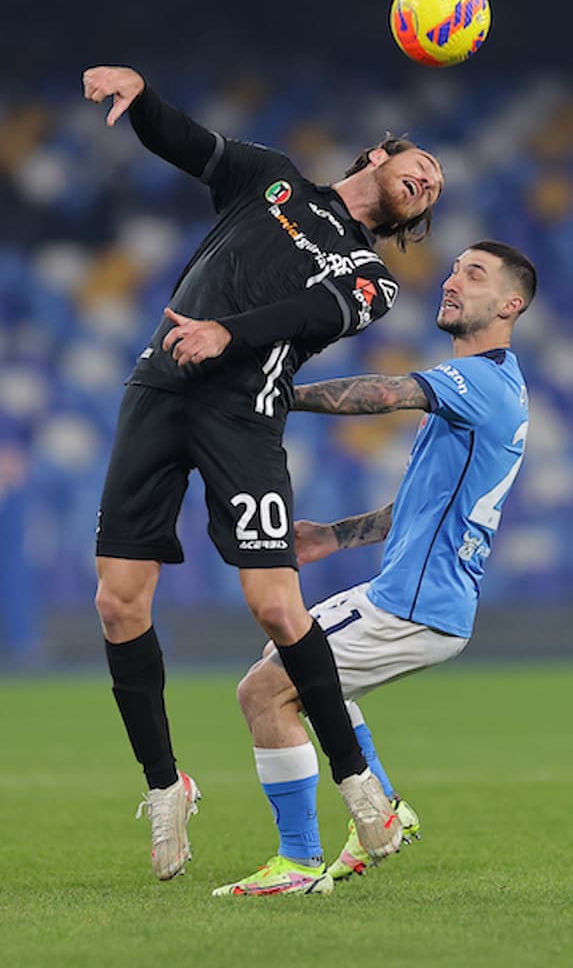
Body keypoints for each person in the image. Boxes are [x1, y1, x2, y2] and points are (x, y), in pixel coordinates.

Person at [82, 65, 444, 881]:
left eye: (435, 192)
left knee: (277, 605)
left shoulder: (374, 280)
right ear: (382, 152)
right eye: (421, 165)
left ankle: (359, 787)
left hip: (242, 413)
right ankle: (165, 786)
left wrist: (225, 333)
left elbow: (307, 315)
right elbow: (189, 144)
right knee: (116, 601)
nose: (428, 182)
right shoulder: (271, 179)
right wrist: (141, 98)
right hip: (160, 388)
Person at [213, 239, 536, 896]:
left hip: (414, 607)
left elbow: (385, 392)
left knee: (264, 693)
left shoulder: (479, 380)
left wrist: (276, 396)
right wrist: (335, 535)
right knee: (299, 677)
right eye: (452, 269)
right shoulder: (484, 392)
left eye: (473, 274)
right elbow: (423, 501)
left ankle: (298, 864)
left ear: (511, 304)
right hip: (409, 596)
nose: (452, 281)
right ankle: (385, 809)